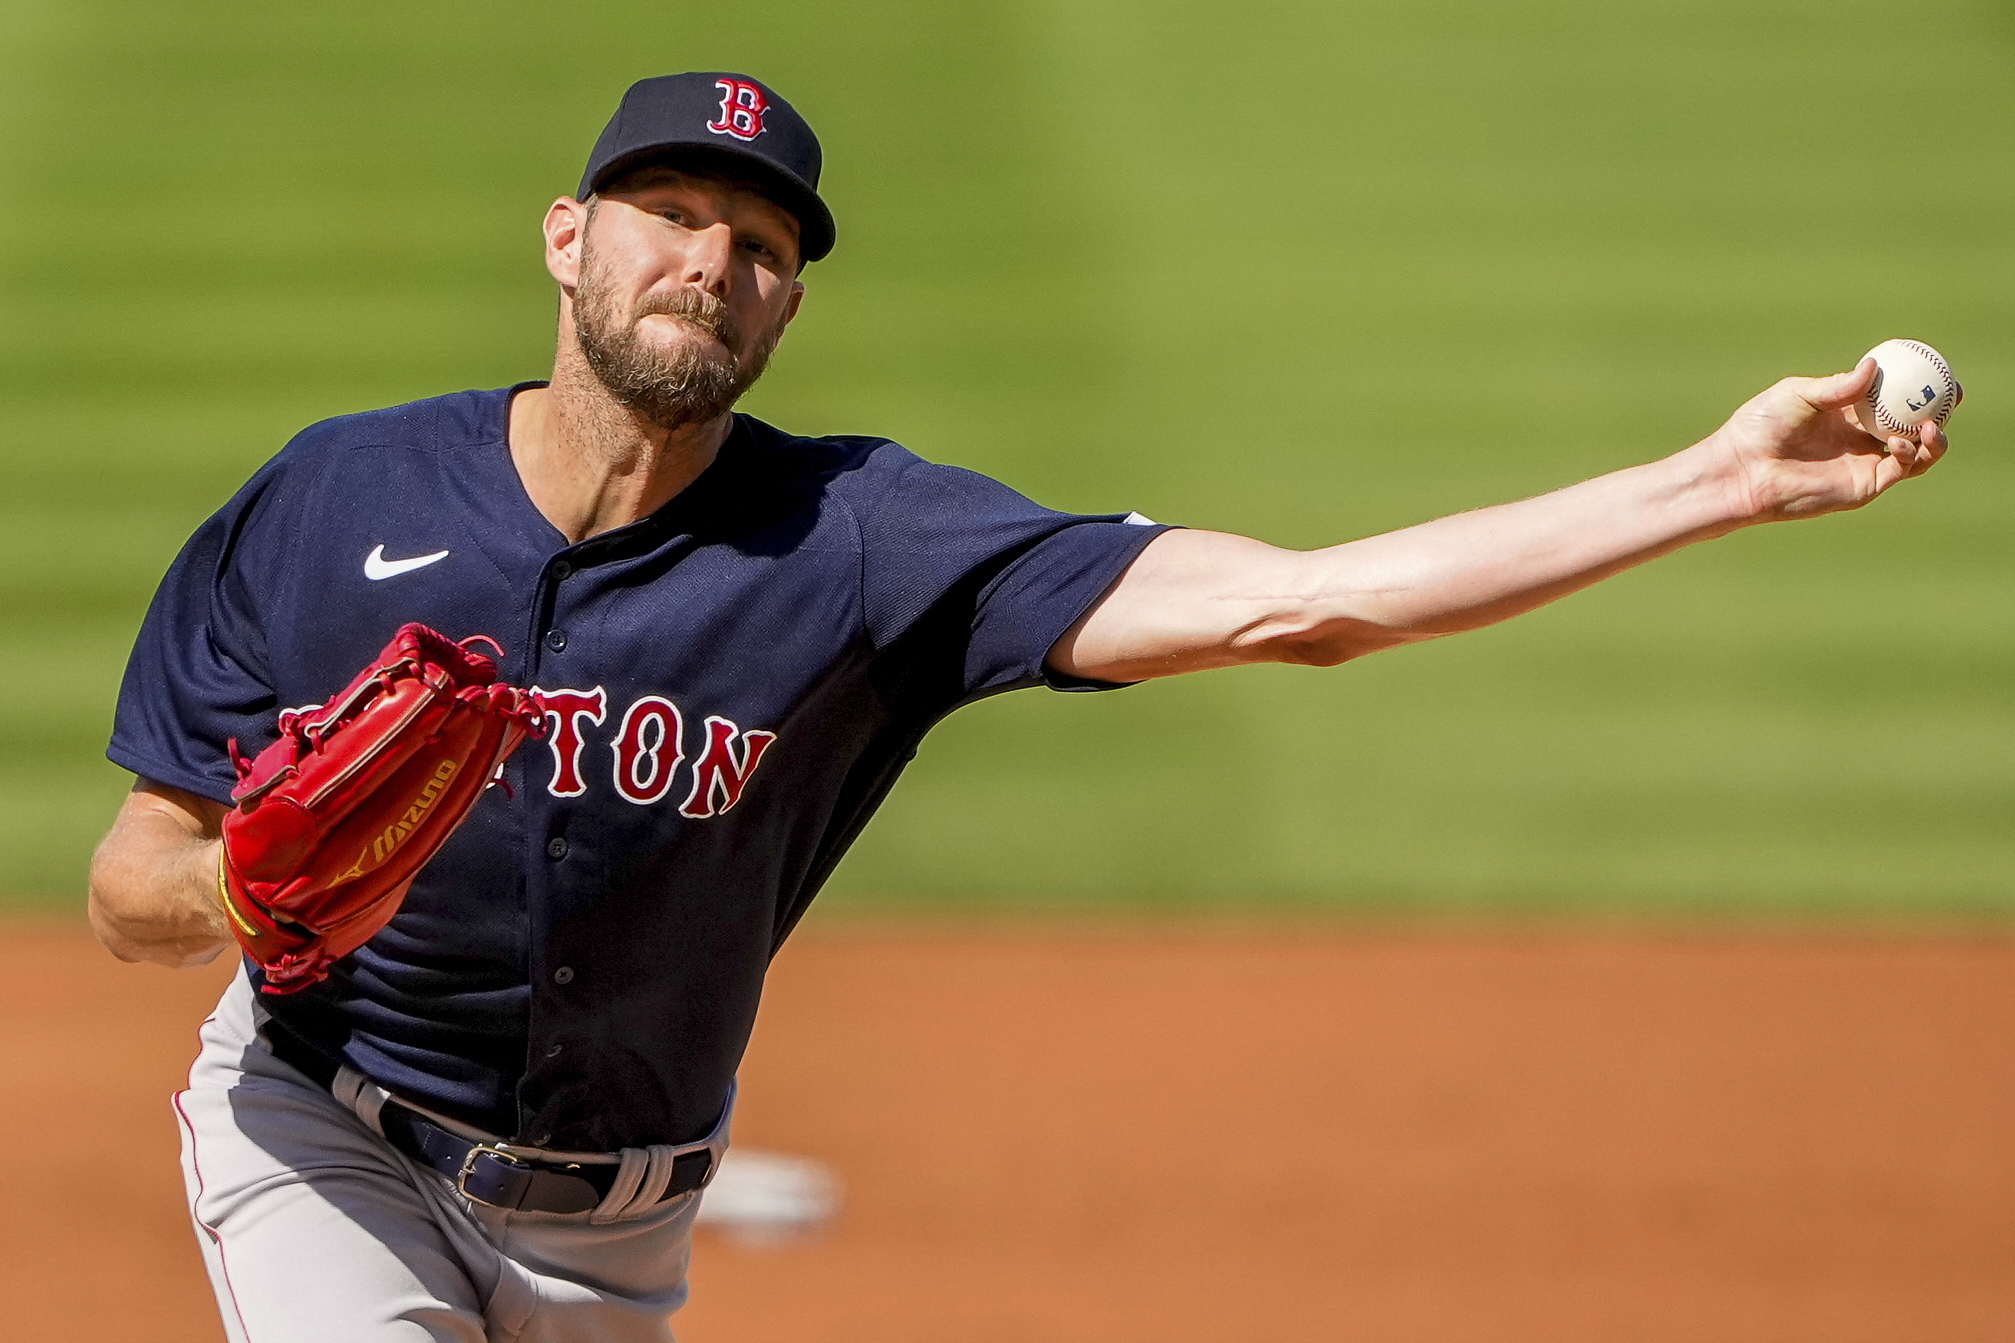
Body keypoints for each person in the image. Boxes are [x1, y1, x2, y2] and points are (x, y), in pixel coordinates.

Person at [86, 70, 1945, 1343]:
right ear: (568, 239)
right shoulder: (338, 500)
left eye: (762, 244)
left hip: (617, 1220)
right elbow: (127, 884)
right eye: (671, 214)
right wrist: (256, 892)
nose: (712, 262)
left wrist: (1716, 478)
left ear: (787, 307)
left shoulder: (865, 539)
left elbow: (1306, 602)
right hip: (323, 1127)